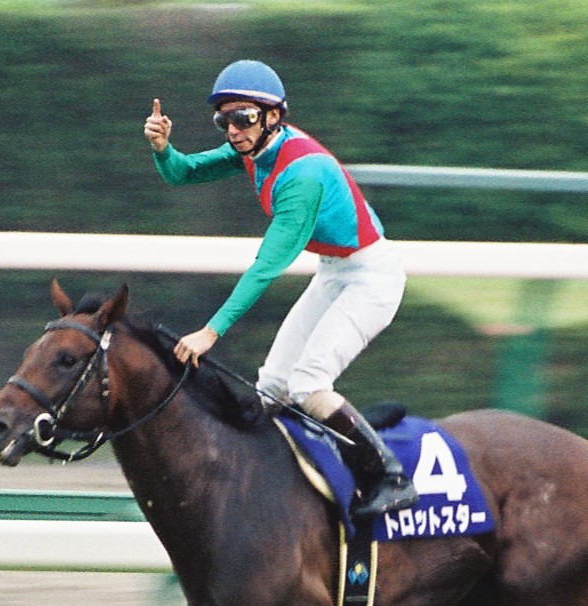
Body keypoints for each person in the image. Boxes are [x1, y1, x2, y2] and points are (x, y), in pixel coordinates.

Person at [142, 59, 419, 520]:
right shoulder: (253, 148)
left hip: (372, 278)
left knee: (309, 382)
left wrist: (211, 332)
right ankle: (291, 479)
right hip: (335, 272)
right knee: (272, 387)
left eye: (244, 118)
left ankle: (388, 476)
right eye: (224, 120)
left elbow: (265, 268)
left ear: (273, 116)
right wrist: (162, 148)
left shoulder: (302, 176)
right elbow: (182, 173)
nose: (233, 130)